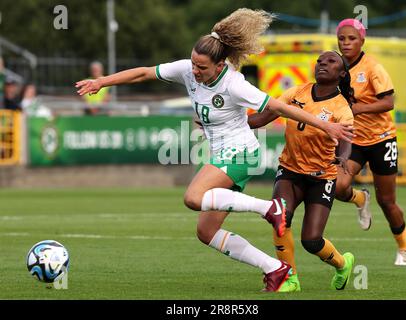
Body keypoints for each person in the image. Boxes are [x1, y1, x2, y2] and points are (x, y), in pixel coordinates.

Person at [76, 9, 353, 292]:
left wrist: (327, 128)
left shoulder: (234, 84)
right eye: (193, 64)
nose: (195, 72)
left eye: (202, 67)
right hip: (222, 155)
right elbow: (144, 73)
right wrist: (101, 82)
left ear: (220, 65)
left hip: (241, 154)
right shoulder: (188, 69)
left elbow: (279, 107)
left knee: (193, 197)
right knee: (206, 232)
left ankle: (270, 208)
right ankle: (275, 269)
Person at [248, 51, 355, 292]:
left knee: (311, 240)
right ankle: (289, 279)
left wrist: (343, 157)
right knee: (279, 219)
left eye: (330, 62)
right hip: (289, 171)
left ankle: (342, 263)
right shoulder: (296, 92)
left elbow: (347, 140)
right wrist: (223, 123)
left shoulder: (342, 108)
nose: (322, 64)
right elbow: (261, 119)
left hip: (321, 178)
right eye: (319, 61)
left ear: (342, 73)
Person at [335, 19, 406, 266]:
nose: (346, 43)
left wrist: (357, 109)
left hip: (381, 139)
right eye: (342, 38)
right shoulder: (336, 66)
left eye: (351, 38)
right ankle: (360, 199)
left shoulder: (372, 68)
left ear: (362, 41)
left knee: (387, 201)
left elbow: (389, 102)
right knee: (337, 187)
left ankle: (403, 247)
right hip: (354, 141)